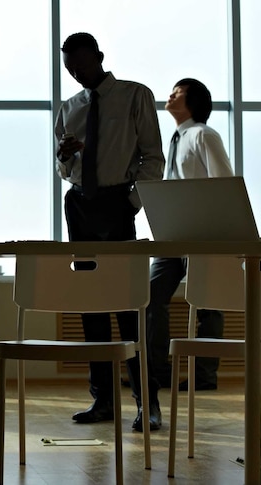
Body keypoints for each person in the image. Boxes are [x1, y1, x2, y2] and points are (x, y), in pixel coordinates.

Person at [54, 33, 165, 432]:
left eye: (81, 64)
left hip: (117, 204)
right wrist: (65, 159)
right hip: (80, 205)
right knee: (92, 308)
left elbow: (152, 155)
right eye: (69, 67)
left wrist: (133, 203)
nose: (76, 72)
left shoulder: (135, 95)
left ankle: (147, 403)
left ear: (99, 57)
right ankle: (102, 400)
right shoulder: (69, 107)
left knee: (130, 307)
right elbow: (63, 168)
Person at [147, 78, 232, 392]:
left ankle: (204, 376)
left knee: (208, 305)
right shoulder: (175, 138)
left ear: (193, 101)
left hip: (202, 234)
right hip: (173, 234)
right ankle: (157, 372)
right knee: (150, 298)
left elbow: (224, 183)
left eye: (178, 91)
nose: (170, 95)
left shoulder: (204, 135)